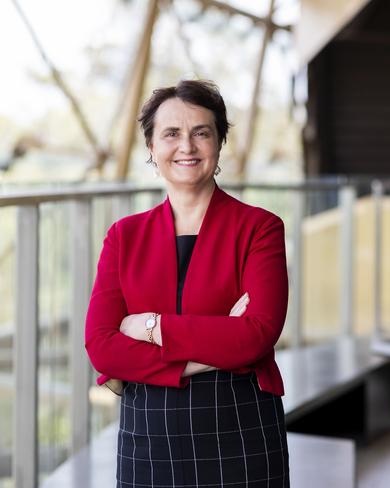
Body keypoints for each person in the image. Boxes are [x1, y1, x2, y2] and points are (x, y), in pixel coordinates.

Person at [85, 79, 290, 487]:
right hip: (148, 431)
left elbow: (258, 335)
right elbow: (103, 349)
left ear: (219, 143)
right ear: (151, 147)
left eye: (201, 132)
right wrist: (217, 349)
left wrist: (149, 327)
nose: (187, 146)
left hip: (239, 425)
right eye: (171, 134)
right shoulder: (123, 236)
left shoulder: (260, 228)